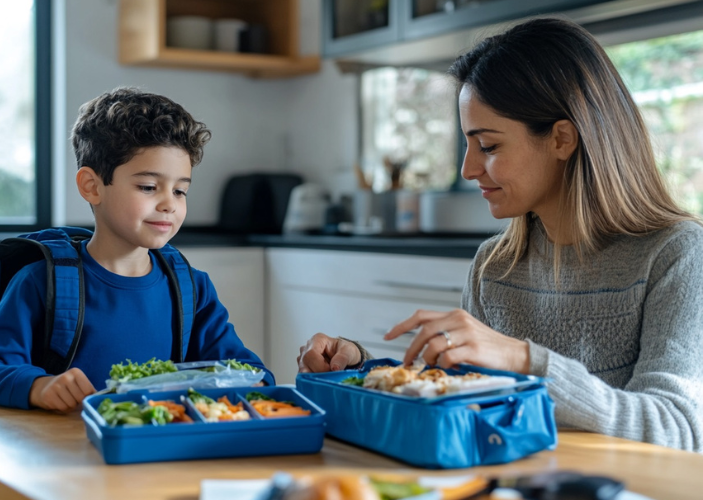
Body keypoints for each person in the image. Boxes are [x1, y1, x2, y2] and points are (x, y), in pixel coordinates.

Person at [298, 17, 703, 452]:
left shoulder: (677, 254)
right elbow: (463, 399)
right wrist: (362, 368)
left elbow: (677, 429)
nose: (468, 169)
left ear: (562, 139)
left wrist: (525, 360)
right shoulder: (495, 266)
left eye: (488, 146)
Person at [0, 87, 274, 499]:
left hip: (151, 478)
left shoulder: (191, 286)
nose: (169, 204)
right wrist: (38, 386)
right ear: (92, 186)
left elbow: (252, 375)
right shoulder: (43, 282)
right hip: (55, 478)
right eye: (149, 187)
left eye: (180, 190)